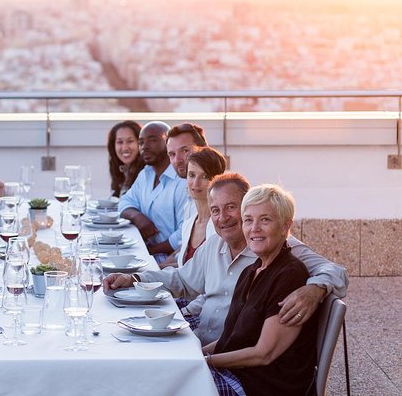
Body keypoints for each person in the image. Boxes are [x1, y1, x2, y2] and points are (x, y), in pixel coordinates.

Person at [104, 172, 348, 346]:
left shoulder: (277, 248)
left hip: (230, 354)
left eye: (231, 207)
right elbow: (182, 280)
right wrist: (134, 278)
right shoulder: (215, 244)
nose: (223, 218)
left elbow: (337, 271)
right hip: (199, 339)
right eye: (216, 210)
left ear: (247, 208)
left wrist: (315, 289)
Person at [204, 184, 318, 396]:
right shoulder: (250, 271)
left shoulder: (290, 275)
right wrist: (195, 355)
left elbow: (264, 353)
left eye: (265, 220)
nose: (254, 228)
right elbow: (229, 338)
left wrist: (206, 362)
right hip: (237, 374)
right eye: (248, 220)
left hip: (263, 386)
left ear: (286, 226)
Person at [118, 121, 187, 263]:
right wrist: (137, 216)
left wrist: (150, 250)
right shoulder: (146, 174)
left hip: (169, 261)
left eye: (153, 140)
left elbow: (184, 234)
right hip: (144, 254)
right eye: (141, 142)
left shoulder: (182, 181)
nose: (145, 147)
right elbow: (125, 202)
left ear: (169, 144)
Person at [159, 146, 227, 269]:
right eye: (191, 175)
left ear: (217, 179)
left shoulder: (222, 225)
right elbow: (186, 269)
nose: (196, 183)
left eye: (204, 176)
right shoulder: (190, 222)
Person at [107, 120, 145, 197]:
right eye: (120, 142)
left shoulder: (147, 172)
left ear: (140, 143)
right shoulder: (121, 169)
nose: (124, 148)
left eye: (130, 141)